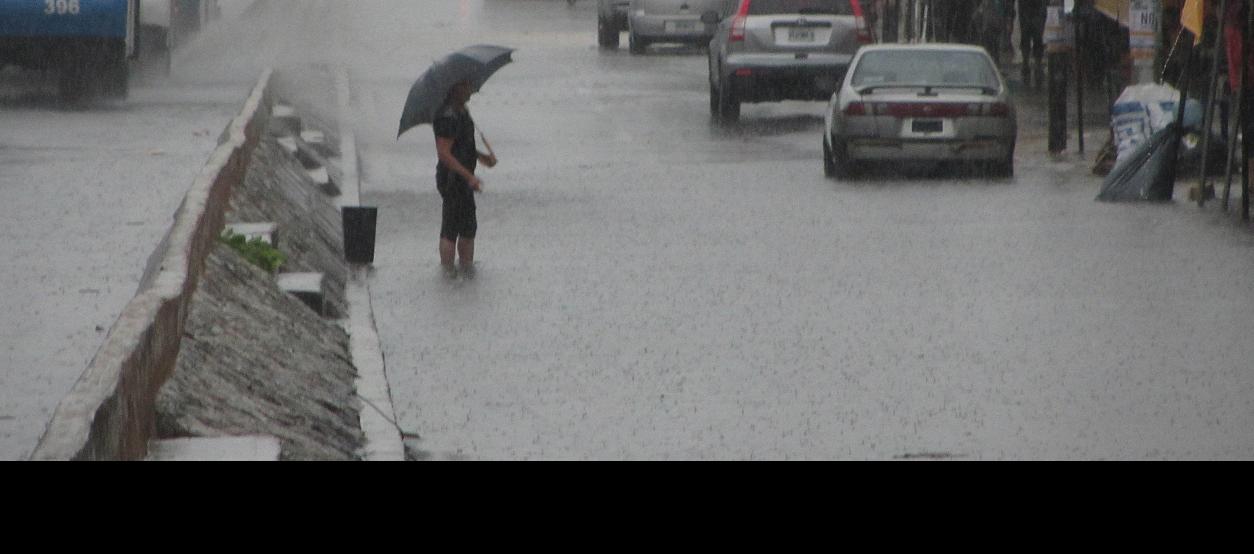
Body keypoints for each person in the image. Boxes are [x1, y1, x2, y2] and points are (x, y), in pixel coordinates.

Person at [432, 80, 496, 278]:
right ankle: (448, 273)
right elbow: (444, 153)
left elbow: (463, 147)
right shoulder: (447, 116)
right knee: (451, 227)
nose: (472, 90)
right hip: (452, 179)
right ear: (456, 89)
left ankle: (466, 269)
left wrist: (483, 158)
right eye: (467, 87)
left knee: (468, 227)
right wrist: (469, 176)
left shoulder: (462, 112)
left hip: (463, 178)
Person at [1018, 0, 1047, 88]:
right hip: (1031, 16)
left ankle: (1033, 64)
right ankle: (1029, 64)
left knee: (1034, 40)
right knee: (1031, 40)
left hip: (1032, 16)